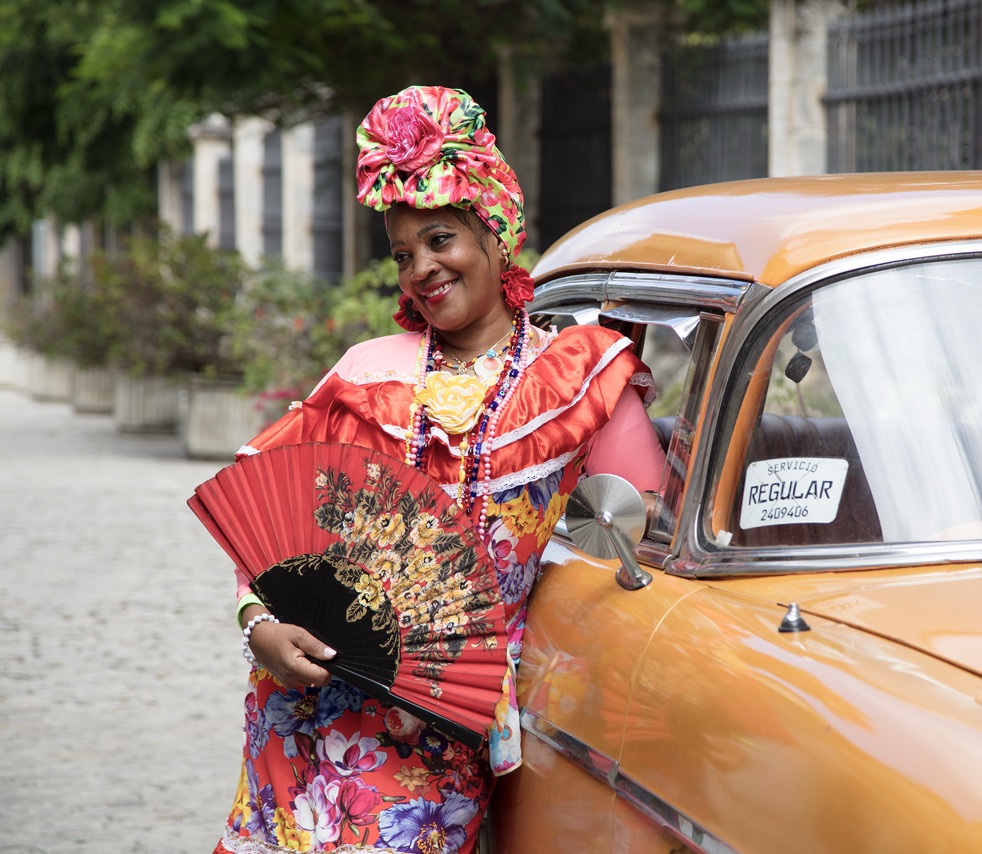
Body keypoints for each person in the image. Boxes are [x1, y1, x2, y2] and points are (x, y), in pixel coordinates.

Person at [214, 85, 666, 853]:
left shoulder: (578, 377)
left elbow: (641, 521)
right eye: (402, 254)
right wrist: (259, 624)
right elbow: (269, 525)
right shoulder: (366, 372)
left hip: (442, 733)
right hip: (310, 707)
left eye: (440, 239)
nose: (422, 267)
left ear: (495, 229)